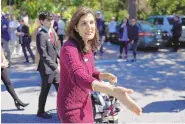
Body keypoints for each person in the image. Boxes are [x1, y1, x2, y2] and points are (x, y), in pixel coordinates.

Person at [57, 7, 142, 123]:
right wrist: (112, 90)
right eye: (83, 23)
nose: (89, 27)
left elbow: (90, 72)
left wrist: (103, 75)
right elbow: (78, 74)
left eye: (92, 22)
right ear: (76, 27)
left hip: (86, 103)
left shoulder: (88, 46)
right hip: (70, 107)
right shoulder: (68, 48)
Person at [36, 11, 60, 119]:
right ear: (42, 21)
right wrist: (55, 66)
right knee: (45, 90)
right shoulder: (41, 34)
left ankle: (62, 111)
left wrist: (61, 60)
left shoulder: (52, 32)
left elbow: (55, 49)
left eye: (52, 19)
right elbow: (43, 54)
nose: (51, 22)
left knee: (60, 89)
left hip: (55, 68)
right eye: (48, 20)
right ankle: (40, 111)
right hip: (46, 69)